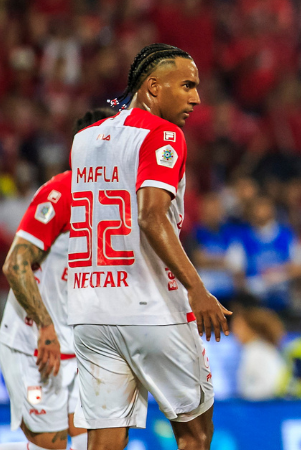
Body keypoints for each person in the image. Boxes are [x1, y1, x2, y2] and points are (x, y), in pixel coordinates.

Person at [68, 43, 229, 450]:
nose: (196, 98)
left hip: (90, 312)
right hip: (151, 309)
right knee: (195, 434)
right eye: (187, 85)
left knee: (104, 440)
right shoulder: (163, 135)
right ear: (154, 87)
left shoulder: (84, 139)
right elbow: (151, 215)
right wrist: (197, 289)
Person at [0, 108, 117, 450]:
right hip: (36, 343)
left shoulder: (123, 204)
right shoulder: (61, 193)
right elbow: (15, 265)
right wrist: (46, 328)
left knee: (94, 436)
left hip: (82, 348)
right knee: (51, 443)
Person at [231, 306, 289, 401]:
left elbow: (271, 385)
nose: (234, 332)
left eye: (238, 326)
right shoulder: (259, 348)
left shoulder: (256, 351)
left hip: (262, 408)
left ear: (250, 328)